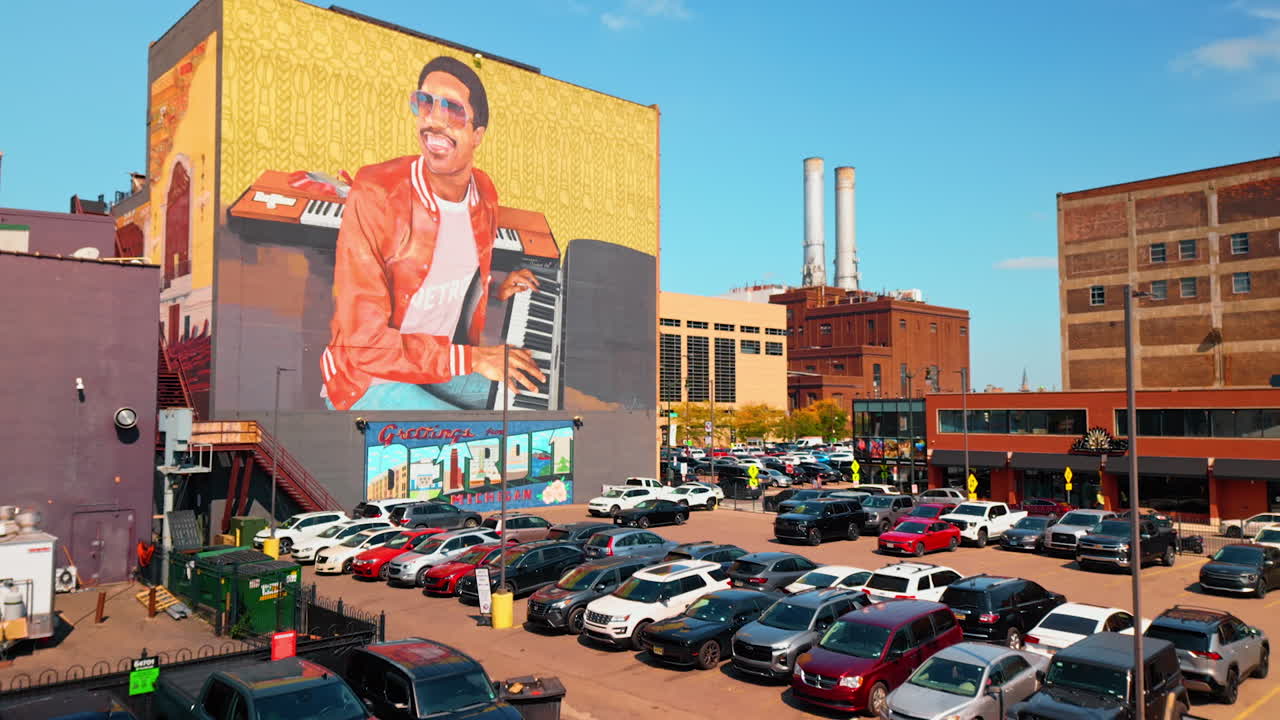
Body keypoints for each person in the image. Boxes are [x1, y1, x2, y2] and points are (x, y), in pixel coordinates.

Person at [322, 56, 544, 411]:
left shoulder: (483, 191)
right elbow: (364, 344)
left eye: (453, 110)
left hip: (436, 364)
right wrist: (472, 360)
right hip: (368, 375)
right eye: (425, 103)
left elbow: (453, 272)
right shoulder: (376, 191)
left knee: (530, 396)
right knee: (487, 439)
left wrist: (498, 289)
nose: (434, 120)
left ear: (477, 135)